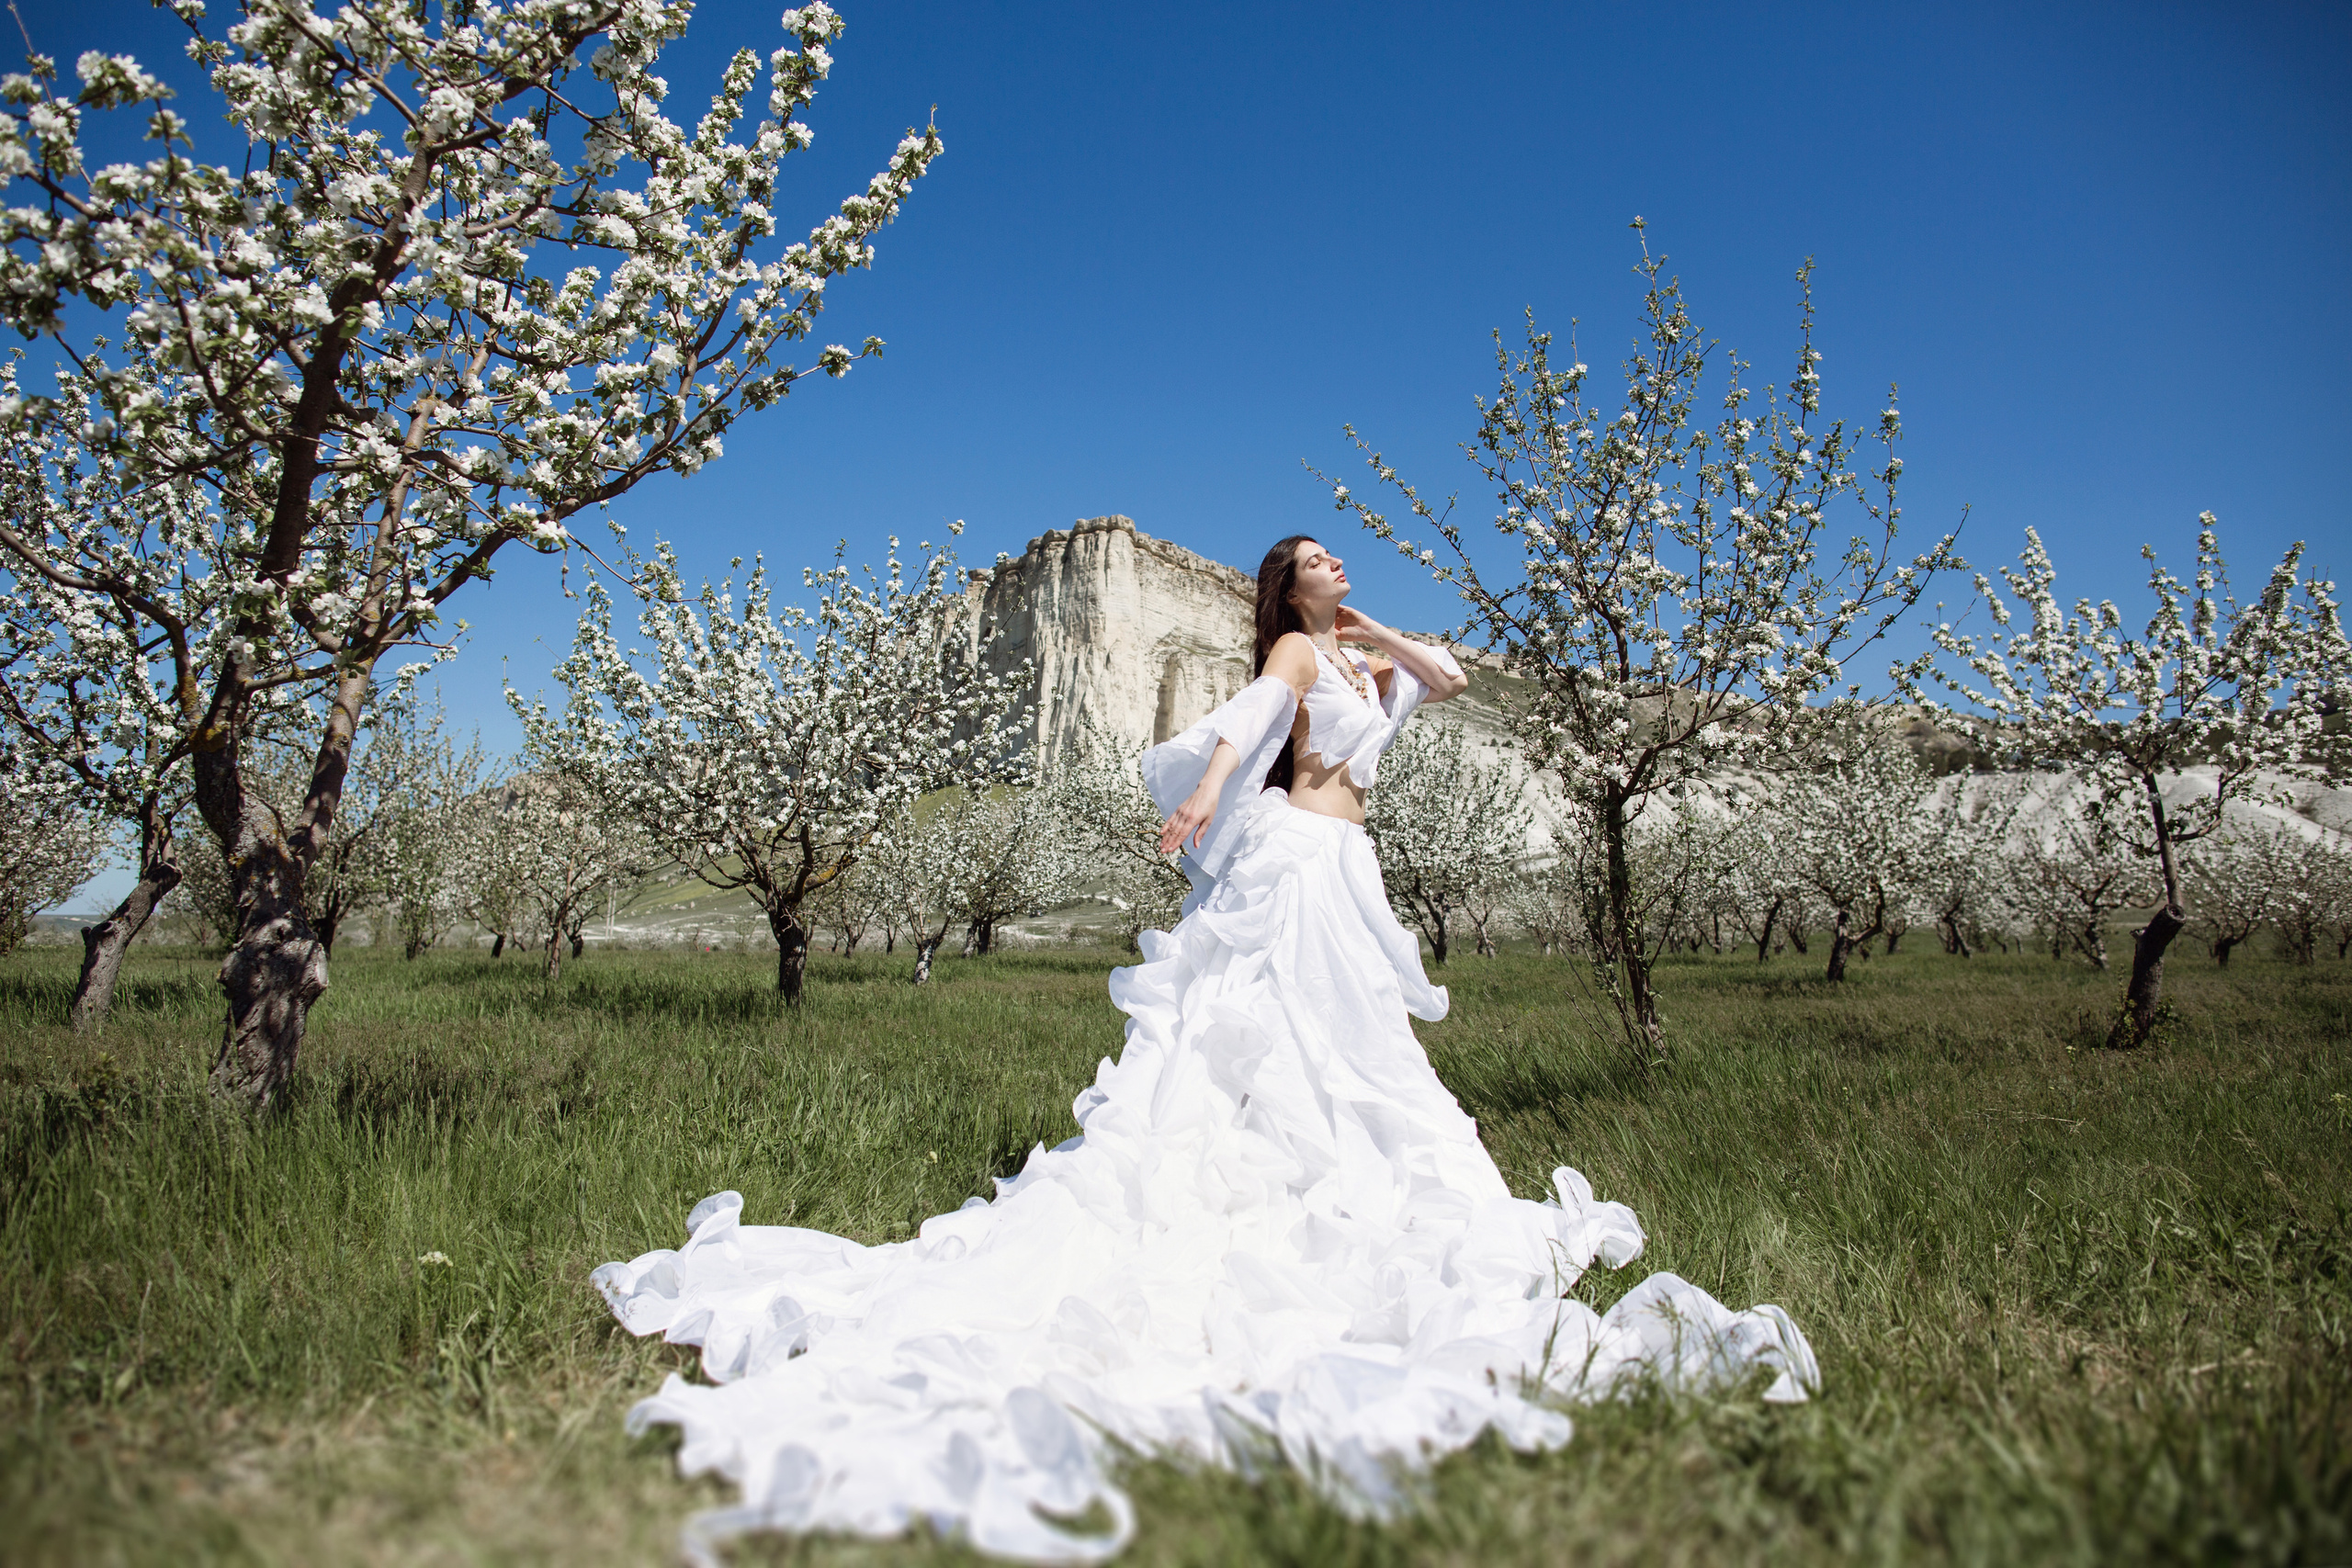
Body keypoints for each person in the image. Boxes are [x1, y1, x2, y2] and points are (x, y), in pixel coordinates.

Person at [594, 536, 1817, 1565]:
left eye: (1335, 559)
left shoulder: (1356, 655)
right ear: (1285, 590)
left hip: (1348, 867)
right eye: (1315, 563)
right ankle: (1237, 1194)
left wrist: (1366, 627)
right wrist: (1203, 792)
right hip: (1293, 861)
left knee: (1363, 1053)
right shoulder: (1294, 657)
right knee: (1266, 1041)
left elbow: (1445, 679)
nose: (1336, 565)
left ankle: (1340, 1187)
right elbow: (1248, 723)